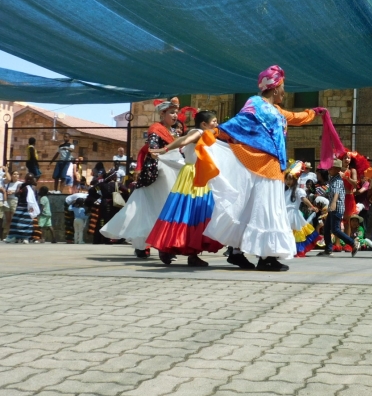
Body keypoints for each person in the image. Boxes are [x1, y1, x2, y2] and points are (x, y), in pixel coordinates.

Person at [193, 65, 323, 272]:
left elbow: (295, 117)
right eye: (283, 87)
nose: (284, 92)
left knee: (252, 209)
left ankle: (236, 252)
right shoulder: (255, 103)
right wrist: (216, 132)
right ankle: (267, 257)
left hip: (272, 166)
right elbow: (238, 122)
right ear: (274, 87)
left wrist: (313, 113)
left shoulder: (278, 111)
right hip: (264, 165)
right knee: (267, 209)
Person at [101, 98, 184, 258]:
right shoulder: (156, 128)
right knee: (156, 209)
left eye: (176, 113)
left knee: (162, 209)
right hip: (160, 173)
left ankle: (159, 244)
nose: (175, 116)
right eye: (172, 112)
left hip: (173, 171)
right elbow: (152, 150)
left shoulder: (174, 132)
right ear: (162, 113)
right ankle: (155, 245)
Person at [146, 110, 223, 266]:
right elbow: (183, 140)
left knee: (198, 214)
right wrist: (164, 149)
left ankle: (193, 253)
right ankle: (166, 248)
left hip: (201, 176)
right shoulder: (199, 132)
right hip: (192, 176)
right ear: (204, 124)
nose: (216, 124)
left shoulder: (206, 134)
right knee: (186, 213)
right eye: (214, 121)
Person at [317, 158, 358, 257]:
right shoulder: (333, 179)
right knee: (327, 228)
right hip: (333, 208)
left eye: (330, 168)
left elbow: (336, 193)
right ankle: (328, 248)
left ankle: (352, 243)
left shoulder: (337, 180)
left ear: (336, 169)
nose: (328, 170)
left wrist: (334, 203)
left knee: (335, 229)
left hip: (336, 207)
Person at [282, 164, 320, 257]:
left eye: (290, 179)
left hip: (293, 214)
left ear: (295, 180)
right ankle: (286, 250)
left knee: (296, 233)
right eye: (287, 179)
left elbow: (304, 199)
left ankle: (298, 251)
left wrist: (312, 206)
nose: (288, 181)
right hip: (284, 214)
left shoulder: (298, 191)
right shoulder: (283, 190)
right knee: (285, 232)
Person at [7, 174, 40, 243]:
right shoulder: (21, 186)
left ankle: (26, 237)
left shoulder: (34, 188)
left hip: (29, 208)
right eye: (27, 179)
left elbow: (35, 199)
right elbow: (16, 194)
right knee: (16, 222)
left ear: (32, 180)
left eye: (30, 179)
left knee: (27, 223)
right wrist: (21, 191)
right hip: (20, 206)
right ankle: (15, 237)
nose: (28, 181)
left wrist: (34, 208)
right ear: (25, 179)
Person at [3, 170, 22, 241]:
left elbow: (20, 191)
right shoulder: (8, 184)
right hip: (7, 201)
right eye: (14, 174)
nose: (16, 175)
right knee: (8, 220)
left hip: (15, 200)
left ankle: (16, 235)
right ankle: (9, 235)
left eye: (17, 174)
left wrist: (13, 192)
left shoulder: (20, 183)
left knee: (15, 219)